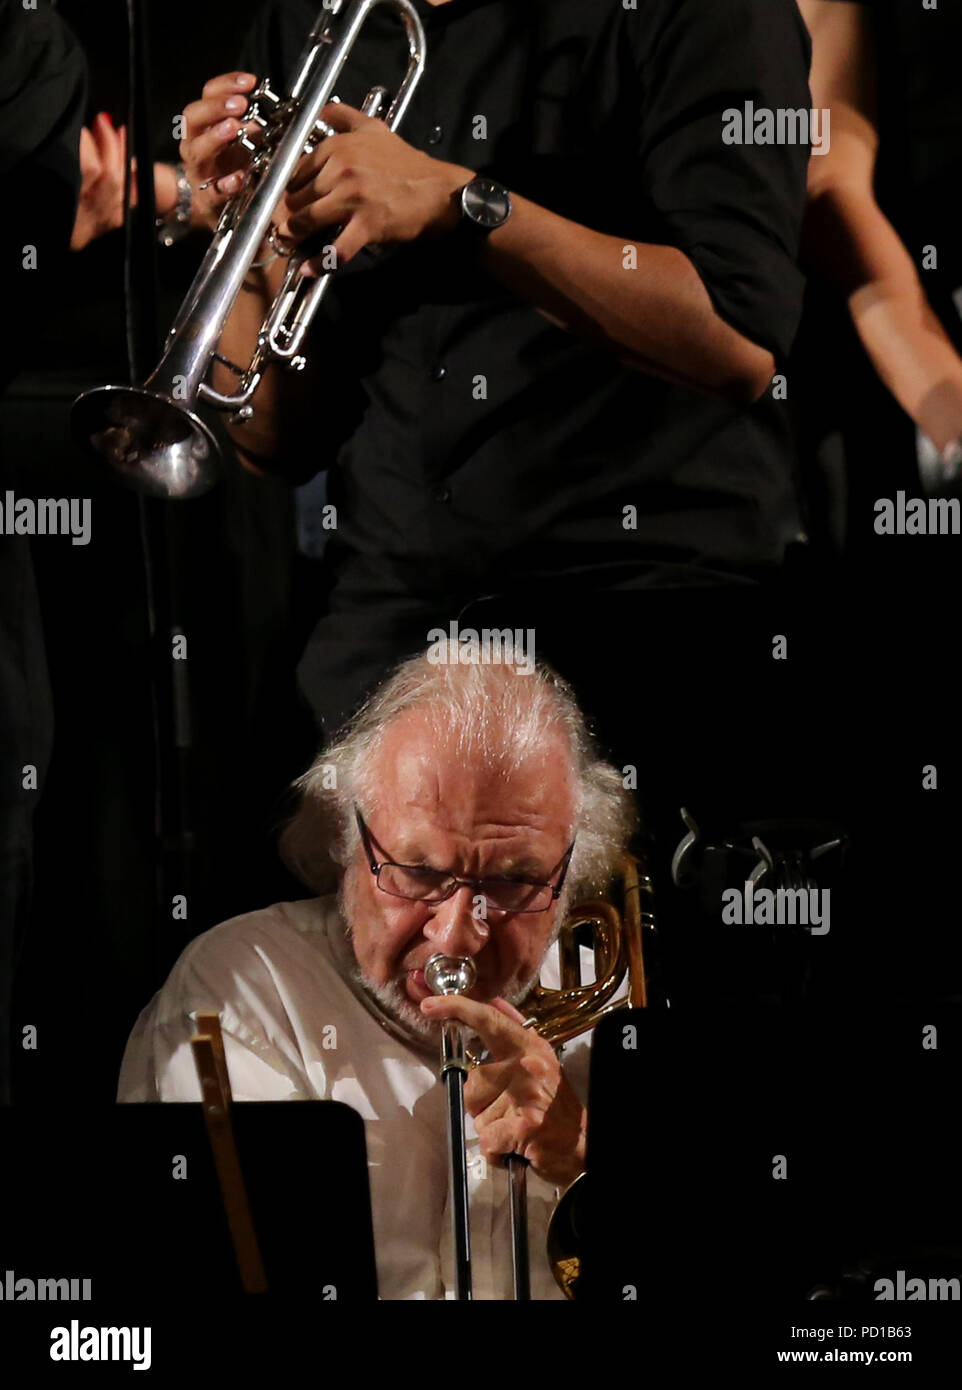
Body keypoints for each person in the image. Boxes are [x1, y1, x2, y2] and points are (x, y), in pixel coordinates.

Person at [166, 0, 813, 734]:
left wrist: (462, 206)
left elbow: (737, 341)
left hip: (641, 614)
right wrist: (248, 220)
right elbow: (277, 442)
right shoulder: (308, 21)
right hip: (389, 635)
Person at [117, 652, 636, 1299]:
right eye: (417, 872)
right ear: (343, 840)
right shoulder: (249, 989)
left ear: (570, 872)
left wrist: (580, 1159)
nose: (456, 935)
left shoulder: (614, 1012)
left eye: (514, 880)